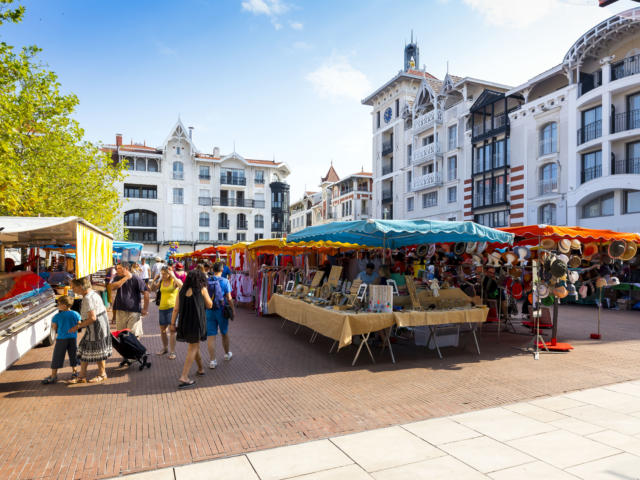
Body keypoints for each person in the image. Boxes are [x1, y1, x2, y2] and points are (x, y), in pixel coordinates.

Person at [170, 269, 213, 388]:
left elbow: (176, 309)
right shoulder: (202, 289)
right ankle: (184, 376)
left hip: (184, 322)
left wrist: (172, 323)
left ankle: (200, 369)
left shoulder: (181, 290)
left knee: (195, 345)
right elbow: (210, 305)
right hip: (197, 322)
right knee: (193, 347)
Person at [69, 276, 112, 383]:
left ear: (80, 287)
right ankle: (82, 375)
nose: (72, 290)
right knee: (84, 348)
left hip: (96, 326)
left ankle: (102, 374)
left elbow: (92, 318)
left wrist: (78, 326)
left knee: (97, 349)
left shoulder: (88, 297)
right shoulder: (93, 293)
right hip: (99, 324)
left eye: (73, 287)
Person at [42, 295, 81, 384]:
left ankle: (53, 375)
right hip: (72, 338)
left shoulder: (57, 316)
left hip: (61, 339)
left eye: (58, 304)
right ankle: (75, 372)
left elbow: (54, 327)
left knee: (57, 356)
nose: (57, 305)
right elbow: (79, 324)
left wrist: (55, 327)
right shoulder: (76, 314)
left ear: (64, 305)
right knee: (73, 355)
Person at [206, 261, 236, 369]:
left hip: (209, 310)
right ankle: (227, 354)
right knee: (224, 333)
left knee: (211, 336)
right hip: (222, 310)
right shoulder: (225, 281)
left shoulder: (207, 281)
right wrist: (233, 310)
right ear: (222, 270)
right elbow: (229, 298)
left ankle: (212, 360)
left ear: (212, 270)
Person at [108, 262, 149, 339]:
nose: (117, 270)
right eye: (116, 268)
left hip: (134, 311)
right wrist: (126, 277)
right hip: (120, 311)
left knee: (133, 336)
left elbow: (146, 294)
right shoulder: (117, 278)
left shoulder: (136, 279)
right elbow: (112, 287)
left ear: (126, 268)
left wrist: (145, 309)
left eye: (119, 268)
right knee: (121, 336)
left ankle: (135, 351)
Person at [152, 266, 182, 359]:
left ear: (169, 273)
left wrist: (174, 276)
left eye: (165, 273)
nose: (163, 275)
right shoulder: (161, 281)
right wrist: (154, 280)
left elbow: (182, 286)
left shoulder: (174, 281)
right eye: (162, 273)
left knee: (172, 330)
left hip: (172, 308)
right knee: (163, 330)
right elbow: (152, 289)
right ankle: (165, 348)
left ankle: (172, 352)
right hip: (162, 308)